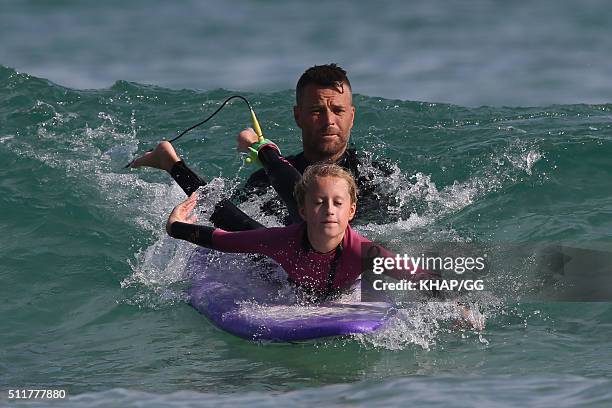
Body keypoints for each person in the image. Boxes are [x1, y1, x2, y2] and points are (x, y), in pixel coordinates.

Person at [128, 63, 396, 230]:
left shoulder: (375, 177)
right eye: (316, 111)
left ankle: (176, 163)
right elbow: (230, 220)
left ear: (352, 116)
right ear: (297, 116)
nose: (329, 121)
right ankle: (173, 164)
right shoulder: (264, 180)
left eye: (338, 110)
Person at [166, 140, 429, 300]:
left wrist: (458, 308)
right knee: (236, 220)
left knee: (311, 189)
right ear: (303, 213)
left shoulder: (365, 253)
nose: (330, 210)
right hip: (289, 256)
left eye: (339, 204)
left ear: (351, 211)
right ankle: (172, 162)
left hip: (309, 226)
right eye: (321, 205)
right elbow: (222, 241)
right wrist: (176, 227)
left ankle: (265, 149)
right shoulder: (280, 241)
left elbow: (421, 277)